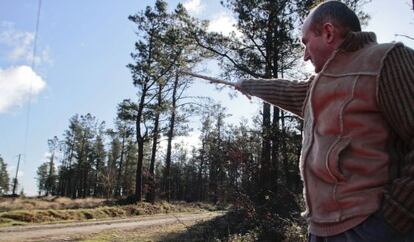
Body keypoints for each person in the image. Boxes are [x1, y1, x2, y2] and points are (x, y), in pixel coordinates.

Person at [236, 1, 414, 241]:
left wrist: (395, 216)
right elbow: (288, 91)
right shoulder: (318, 85)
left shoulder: (387, 60)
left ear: (328, 32)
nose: (305, 55)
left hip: (370, 228)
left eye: (306, 42)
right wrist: (248, 85)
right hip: (319, 230)